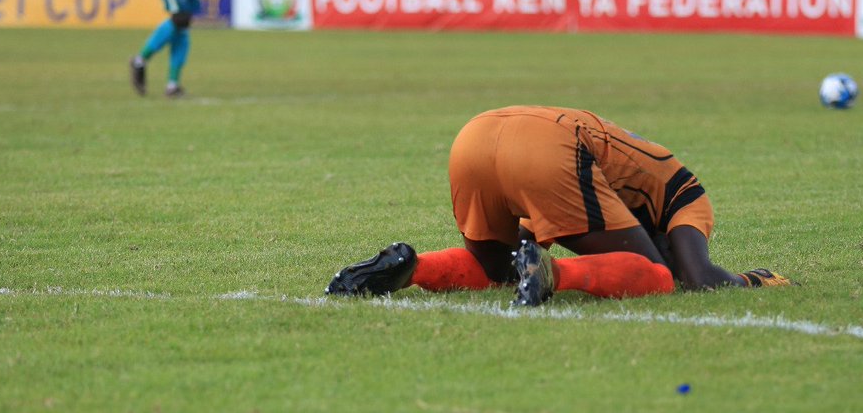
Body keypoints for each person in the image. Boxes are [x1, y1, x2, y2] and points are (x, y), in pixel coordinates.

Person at [327, 106, 792, 307]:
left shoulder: (637, 182)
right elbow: (699, 277)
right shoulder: (687, 196)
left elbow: (529, 231)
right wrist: (755, 279)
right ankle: (556, 275)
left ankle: (411, 267)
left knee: (497, 270)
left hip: (475, 135)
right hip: (547, 148)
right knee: (658, 276)